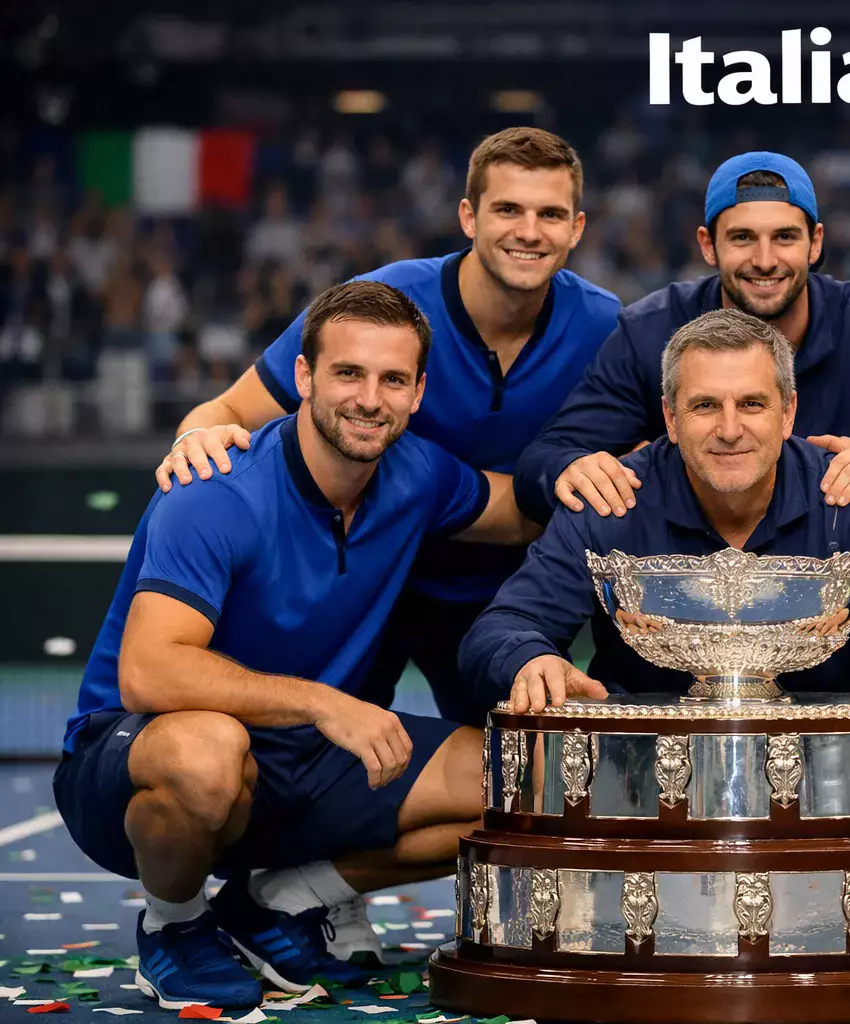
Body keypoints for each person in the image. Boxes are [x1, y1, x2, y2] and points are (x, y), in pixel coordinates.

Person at [149, 127, 617, 961]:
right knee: (330, 754)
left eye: (551, 214)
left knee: (520, 785)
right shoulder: (386, 303)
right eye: (507, 209)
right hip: (366, 584)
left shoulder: (609, 327)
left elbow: (646, 451)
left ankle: (304, 891)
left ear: (577, 228)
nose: (528, 231)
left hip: (500, 595)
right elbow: (225, 412)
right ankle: (291, 905)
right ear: (468, 216)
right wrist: (194, 439)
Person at [54, 282, 539, 1009]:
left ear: (417, 393)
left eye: (393, 380)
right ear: (305, 376)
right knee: (209, 753)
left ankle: (280, 899)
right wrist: (324, 704)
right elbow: (149, 672)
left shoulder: (420, 474)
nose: (369, 399)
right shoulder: (214, 488)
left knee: (524, 782)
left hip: (297, 761)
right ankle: (173, 925)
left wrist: (632, 468)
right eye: (348, 373)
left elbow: (520, 511)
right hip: (135, 755)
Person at [460, 308, 850, 713]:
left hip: (833, 780)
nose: (728, 429)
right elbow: (499, 631)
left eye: (751, 404)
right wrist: (530, 660)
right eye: (704, 406)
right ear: (670, 419)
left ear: (787, 413)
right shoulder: (613, 497)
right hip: (641, 782)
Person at [513, 151, 850, 538]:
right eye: (742, 238)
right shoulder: (648, 332)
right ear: (708, 245)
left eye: (785, 238)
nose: (765, 259)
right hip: (671, 602)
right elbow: (542, 464)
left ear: (815, 243)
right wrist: (582, 472)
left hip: (832, 615)